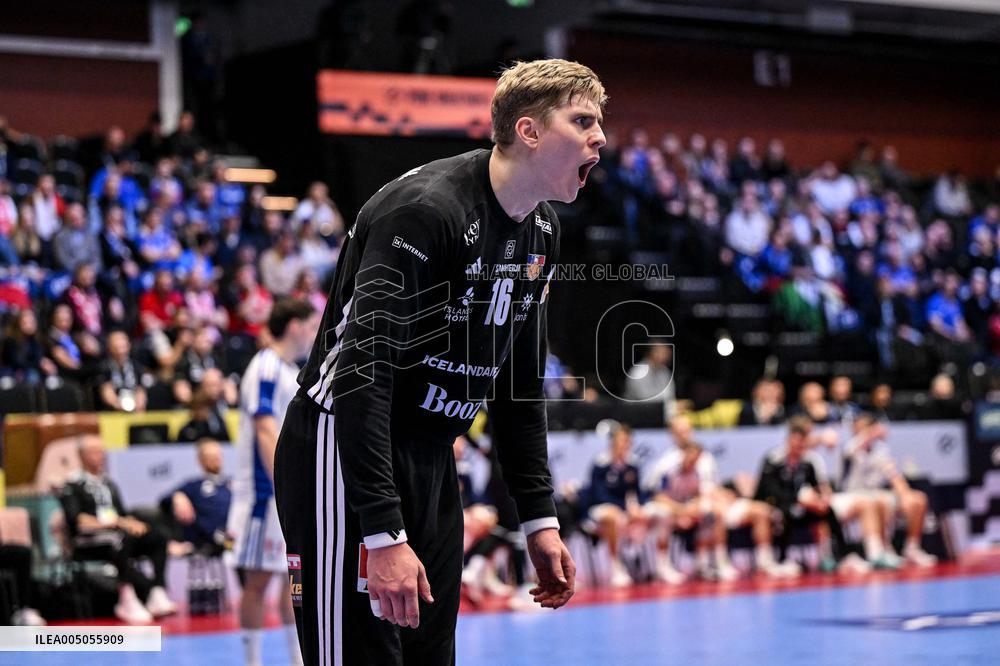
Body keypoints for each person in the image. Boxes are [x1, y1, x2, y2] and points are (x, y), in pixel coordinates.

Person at [274, 58, 606, 665]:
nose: (600, 137)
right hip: (343, 450)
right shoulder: (425, 211)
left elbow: (520, 383)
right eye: (582, 120)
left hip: (430, 456)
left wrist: (537, 517)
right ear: (529, 131)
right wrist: (382, 532)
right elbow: (362, 376)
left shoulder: (542, 232)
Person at [227, 298, 318, 666]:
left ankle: (297, 659)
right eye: (311, 326)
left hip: (283, 494)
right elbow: (265, 428)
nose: (314, 334)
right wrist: (283, 483)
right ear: (294, 325)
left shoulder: (289, 370)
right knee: (259, 582)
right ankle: (253, 660)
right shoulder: (264, 366)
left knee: (290, 581)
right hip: (263, 496)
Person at [59, 435, 176, 623]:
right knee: (121, 539)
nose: (101, 456)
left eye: (101, 451)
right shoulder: (72, 484)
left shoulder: (108, 483)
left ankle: (157, 590)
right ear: (81, 455)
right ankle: (126, 596)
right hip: (89, 540)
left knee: (157, 536)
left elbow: (121, 513)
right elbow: (77, 520)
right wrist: (114, 523)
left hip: (118, 533)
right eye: (95, 452)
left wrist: (132, 522)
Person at [839, 414, 938, 567]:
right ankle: (884, 550)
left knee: (918, 499)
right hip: (853, 495)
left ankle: (912, 548)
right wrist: (873, 432)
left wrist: (905, 494)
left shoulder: (880, 450)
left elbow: (893, 475)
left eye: (865, 427)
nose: (862, 431)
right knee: (881, 500)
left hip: (876, 492)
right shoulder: (850, 447)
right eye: (859, 428)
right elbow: (856, 446)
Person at [162, 439, 232, 554]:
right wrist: (178, 496)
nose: (216, 459)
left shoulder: (233, 484)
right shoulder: (194, 485)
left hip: (236, 533)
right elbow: (164, 501)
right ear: (201, 460)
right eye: (210, 456)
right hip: (211, 539)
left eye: (218, 455)